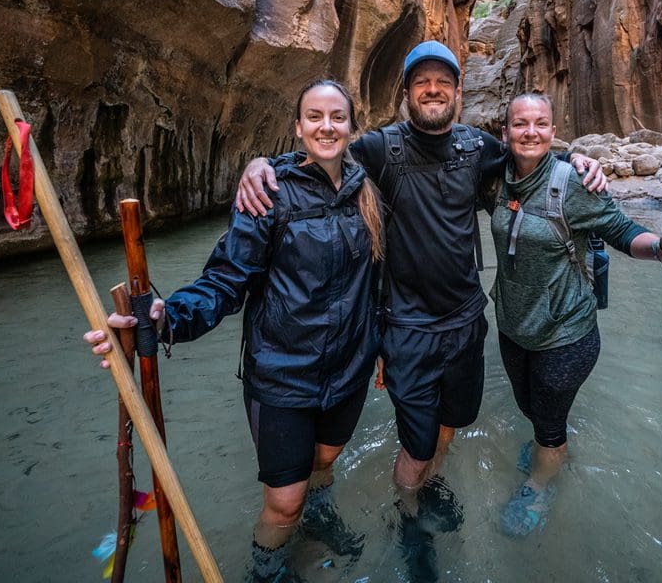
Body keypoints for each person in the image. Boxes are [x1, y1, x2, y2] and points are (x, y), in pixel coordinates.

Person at [234, 41, 606, 581]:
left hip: (465, 322)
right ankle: (409, 520)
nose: (433, 90)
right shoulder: (383, 148)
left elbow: (532, 156)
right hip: (405, 328)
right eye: (421, 83)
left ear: (457, 92)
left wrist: (580, 160)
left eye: (443, 82)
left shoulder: (477, 147)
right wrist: (261, 165)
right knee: (416, 441)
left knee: (451, 425)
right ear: (407, 93)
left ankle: (425, 488)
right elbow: (324, 154)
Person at [85, 80, 384, 582]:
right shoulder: (267, 195)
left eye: (337, 116)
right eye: (314, 116)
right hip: (283, 375)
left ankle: (320, 516)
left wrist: (379, 350)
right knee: (283, 504)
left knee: (324, 462)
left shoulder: (365, 190)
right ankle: (266, 573)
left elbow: (375, 281)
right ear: (298, 127)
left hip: (349, 369)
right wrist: (166, 318)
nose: (326, 126)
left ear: (353, 127)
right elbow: (225, 281)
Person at [490, 93, 662, 536]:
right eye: (520, 124)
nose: (530, 132)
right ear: (504, 131)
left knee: (547, 424)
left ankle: (541, 485)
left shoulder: (574, 184)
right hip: (513, 327)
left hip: (565, 335)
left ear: (552, 129)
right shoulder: (496, 177)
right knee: (530, 406)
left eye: (541, 124)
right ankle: (551, 445)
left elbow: (622, 231)